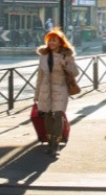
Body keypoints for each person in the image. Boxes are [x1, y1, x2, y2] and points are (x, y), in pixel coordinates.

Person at [33, 27, 79, 157]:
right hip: (45, 89)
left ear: (60, 42)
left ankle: (57, 144)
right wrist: (36, 95)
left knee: (58, 114)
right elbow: (40, 77)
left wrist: (66, 65)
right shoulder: (44, 55)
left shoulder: (67, 55)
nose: (51, 43)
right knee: (47, 115)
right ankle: (50, 142)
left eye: (54, 40)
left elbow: (75, 72)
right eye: (49, 40)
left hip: (61, 88)